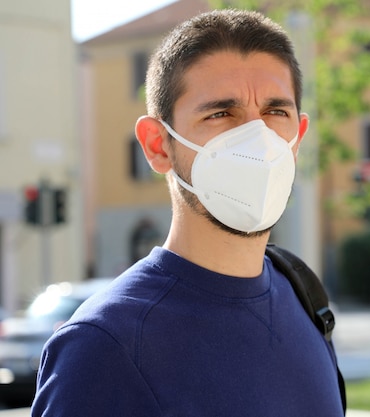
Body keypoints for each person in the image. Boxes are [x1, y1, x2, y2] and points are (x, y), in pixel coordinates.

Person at [32, 9, 344, 417]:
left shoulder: (303, 296)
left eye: (275, 112)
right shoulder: (105, 347)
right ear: (158, 145)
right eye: (220, 114)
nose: (258, 139)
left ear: (298, 138)